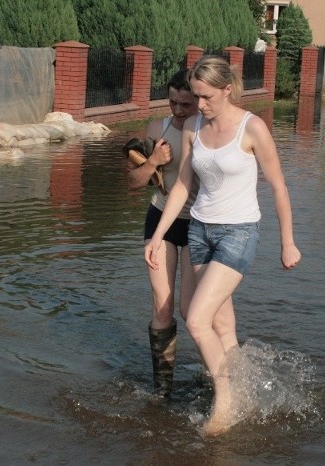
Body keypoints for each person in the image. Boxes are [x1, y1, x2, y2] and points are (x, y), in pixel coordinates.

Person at [144, 56, 301, 436]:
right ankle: (245, 390)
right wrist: (159, 235)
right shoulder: (194, 128)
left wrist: (288, 242)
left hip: (239, 233)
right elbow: (181, 187)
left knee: (196, 319)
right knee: (221, 323)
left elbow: (278, 186)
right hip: (200, 231)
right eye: (195, 96)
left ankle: (226, 401)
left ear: (227, 89)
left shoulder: (253, 128)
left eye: (206, 96)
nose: (199, 105)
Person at [127, 69, 199, 398]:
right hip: (161, 219)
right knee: (163, 306)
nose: (179, 110)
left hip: (200, 223)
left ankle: (217, 379)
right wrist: (153, 160)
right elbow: (133, 183)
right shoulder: (159, 129)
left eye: (186, 104)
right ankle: (163, 391)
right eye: (172, 102)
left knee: (195, 310)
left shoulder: (210, 131)